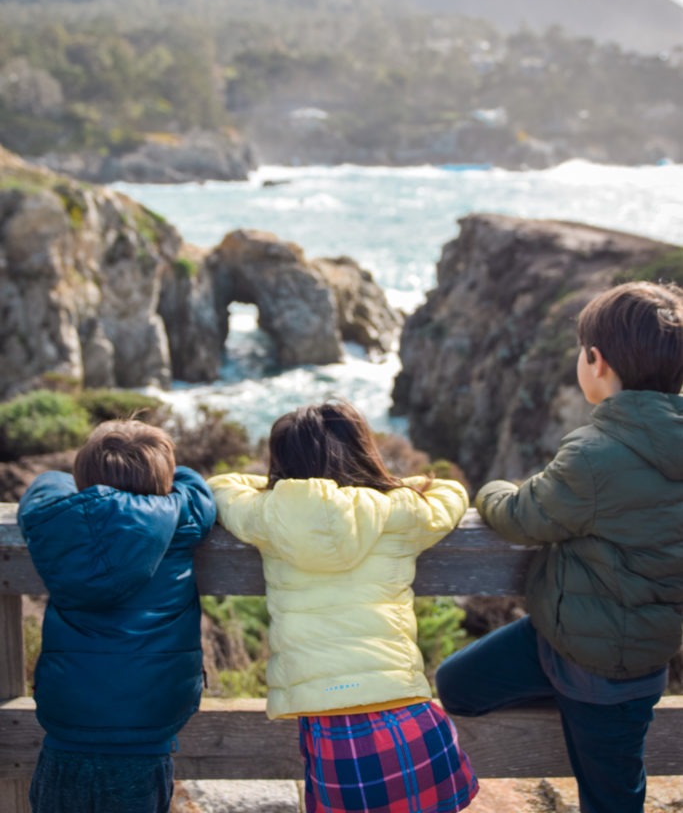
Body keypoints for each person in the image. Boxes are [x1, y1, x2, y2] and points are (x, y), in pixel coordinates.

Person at [435, 280, 683, 813]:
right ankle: (575, 702)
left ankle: (581, 706)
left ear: (596, 362)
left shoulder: (595, 454)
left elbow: (524, 515)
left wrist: (491, 488)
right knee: (457, 685)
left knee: (612, 799)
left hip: (612, 673)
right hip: (566, 637)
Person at [208, 399, 479, 813]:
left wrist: (285, 485)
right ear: (361, 451)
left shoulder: (267, 515)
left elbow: (221, 485)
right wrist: (384, 483)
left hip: (334, 735)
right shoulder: (398, 510)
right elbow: (452, 491)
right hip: (410, 719)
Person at [18, 418, 216, 813]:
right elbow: (199, 490)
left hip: (67, 725)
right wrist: (165, 481)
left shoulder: (56, 521)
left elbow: (45, 484)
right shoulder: (180, 522)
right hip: (148, 730)